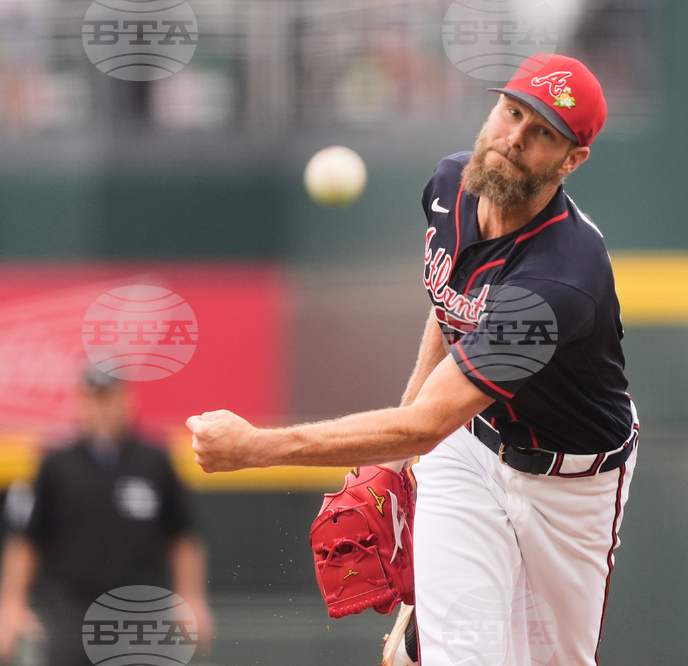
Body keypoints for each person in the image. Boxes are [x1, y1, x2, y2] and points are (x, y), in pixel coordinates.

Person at [187, 52, 638, 666]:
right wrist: (401, 460)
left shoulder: (560, 281)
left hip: (572, 488)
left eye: (541, 134)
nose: (513, 138)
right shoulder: (450, 185)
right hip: (470, 449)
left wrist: (253, 450)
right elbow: (450, 305)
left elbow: (427, 421)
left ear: (571, 159)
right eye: (511, 111)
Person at [0, 367, 213, 666]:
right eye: (94, 398)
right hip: (72, 610)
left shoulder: (153, 461)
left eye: (109, 397)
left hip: (141, 610)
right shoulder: (56, 464)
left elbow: (182, 535)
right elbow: (26, 539)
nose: (102, 407)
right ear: (80, 402)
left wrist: (191, 598)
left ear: (126, 400)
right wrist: (12, 604)